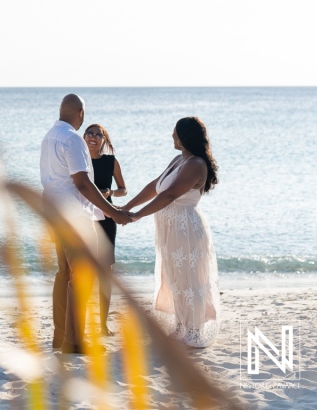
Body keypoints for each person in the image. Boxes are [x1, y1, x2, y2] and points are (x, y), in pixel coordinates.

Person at [40, 94, 130, 354]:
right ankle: (75, 342)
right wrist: (112, 211)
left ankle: (61, 337)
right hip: (75, 217)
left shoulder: (49, 137)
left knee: (64, 274)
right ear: (81, 112)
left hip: (54, 212)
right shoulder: (71, 139)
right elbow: (81, 183)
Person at [122, 117, 220, 348]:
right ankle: (181, 325)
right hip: (169, 228)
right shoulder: (179, 160)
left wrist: (137, 216)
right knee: (173, 277)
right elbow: (154, 187)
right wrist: (127, 207)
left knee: (189, 279)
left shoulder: (196, 164)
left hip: (185, 227)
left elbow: (169, 196)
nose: (171, 136)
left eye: (174, 132)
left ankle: (194, 331)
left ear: (185, 136)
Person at [83, 124, 127, 336]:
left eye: (98, 134)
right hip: (82, 219)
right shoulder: (78, 161)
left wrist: (110, 192)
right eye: (89, 133)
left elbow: (123, 189)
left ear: (104, 140)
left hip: (106, 220)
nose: (93, 137)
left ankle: (102, 325)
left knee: (105, 273)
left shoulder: (111, 161)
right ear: (83, 137)